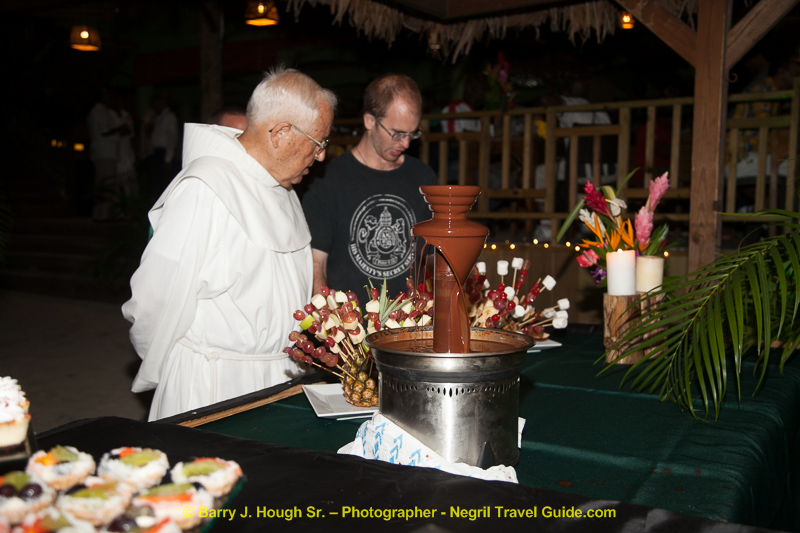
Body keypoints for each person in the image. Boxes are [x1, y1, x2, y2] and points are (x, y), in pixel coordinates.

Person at [122, 67, 337, 421]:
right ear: (281, 132)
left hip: (278, 377)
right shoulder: (205, 188)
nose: (321, 156)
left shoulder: (283, 187)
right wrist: (180, 367)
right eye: (318, 142)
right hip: (214, 383)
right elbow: (152, 300)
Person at [302, 74, 437, 299]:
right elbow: (316, 264)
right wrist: (329, 316)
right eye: (397, 133)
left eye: (412, 134)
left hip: (414, 319)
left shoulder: (424, 177)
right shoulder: (328, 179)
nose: (405, 143)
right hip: (350, 320)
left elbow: (433, 257)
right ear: (370, 121)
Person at [87, 87, 135, 220]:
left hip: (108, 153)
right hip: (105, 153)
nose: (112, 100)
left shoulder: (102, 111)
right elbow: (105, 131)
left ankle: (104, 214)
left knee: (107, 184)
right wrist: (121, 128)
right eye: (109, 97)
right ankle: (102, 215)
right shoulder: (100, 111)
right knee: (106, 185)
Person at [142, 90, 180, 200]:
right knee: (157, 183)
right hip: (157, 152)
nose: (155, 105)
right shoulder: (158, 117)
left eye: (157, 102)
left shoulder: (169, 116)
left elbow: (172, 138)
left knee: (164, 184)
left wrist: (167, 159)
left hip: (164, 154)